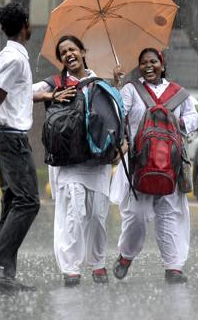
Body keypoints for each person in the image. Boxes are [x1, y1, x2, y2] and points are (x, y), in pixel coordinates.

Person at [110, 48, 198, 284]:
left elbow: (195, 118)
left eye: (153, 61)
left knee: (170, 215)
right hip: (139, 165)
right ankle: (126, 256)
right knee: (137, 217)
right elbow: (119, 111)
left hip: (171, 166)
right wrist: (117, 85)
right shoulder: (131, 89)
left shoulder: (179, 93)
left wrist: (178, 122)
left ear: (162, 64)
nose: (148, 66)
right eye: (143, 63)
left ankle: (173, 267)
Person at [32, 35, 115, 287]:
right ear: (61, 59)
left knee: (97, 217)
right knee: (74, 214)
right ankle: (70, 268)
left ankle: (98, 263)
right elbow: (22, 94)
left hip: (97, 160)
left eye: (72, 49)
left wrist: (116, 86)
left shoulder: (100, 82)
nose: (69, 53)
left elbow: (112, 117)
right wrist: (50, 97)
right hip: (69, 161)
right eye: (63, 51)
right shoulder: (54, 83)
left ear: (82, 50)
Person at [0, 2, 40, 291]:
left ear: (3, 28)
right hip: (10, 137)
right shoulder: (14, 59)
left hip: (9, 135)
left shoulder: (11, 57)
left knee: (14, 203)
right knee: (28, 202)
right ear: (25, 25)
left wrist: (49, 93)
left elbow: (15, 97)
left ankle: (4, 276)